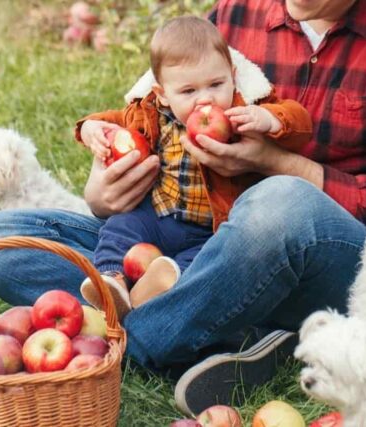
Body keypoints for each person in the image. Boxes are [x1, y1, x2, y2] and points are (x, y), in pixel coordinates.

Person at [0, 0, 366, 416]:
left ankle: (131, 345)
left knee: (279, 202)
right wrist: (103, 192)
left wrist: (277, 162)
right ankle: (231, 330)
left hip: (338, 260)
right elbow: (156, 111)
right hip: (203, 244)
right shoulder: (236, 14)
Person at [73, 16, 312, 320]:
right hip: (156, 216)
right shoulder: (150, 111)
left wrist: (271, 119)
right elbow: (113, 120)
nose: (205, 99)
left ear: (232, 75)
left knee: (205, 263)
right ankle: (111, 282)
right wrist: (91, 127)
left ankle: (161, 286)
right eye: (188, 91)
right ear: (163, 94)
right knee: (121, 228)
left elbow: (300, 121)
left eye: (216, 84)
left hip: (210, 229)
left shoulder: (244, 111)